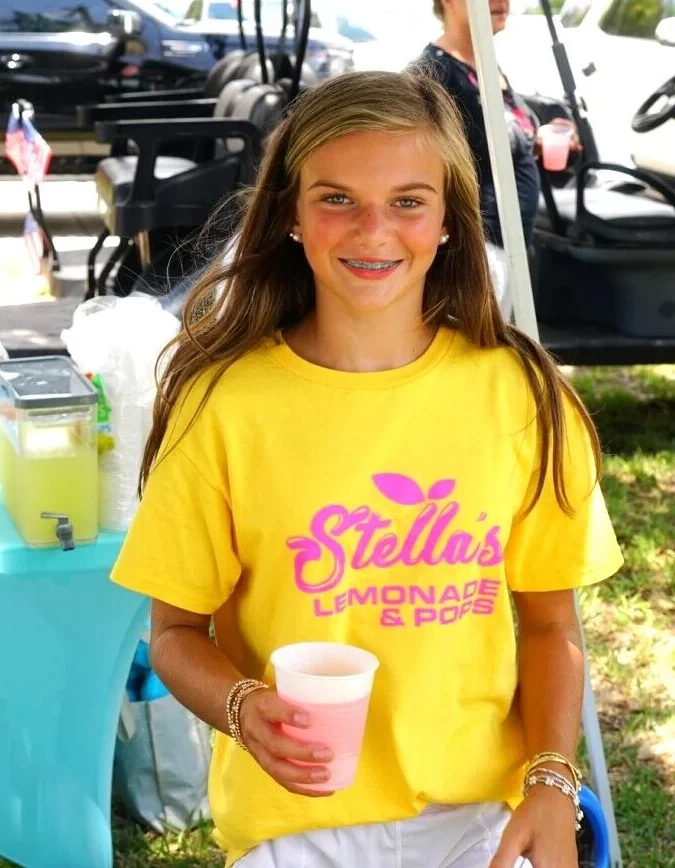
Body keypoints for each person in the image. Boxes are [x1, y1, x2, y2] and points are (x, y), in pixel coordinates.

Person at [111, 70, 621, 868]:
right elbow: (175, 634)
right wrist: (244, 709)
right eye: (337, 198)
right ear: (288, 213)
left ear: (451, 217)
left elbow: (551, 625)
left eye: (408, 200)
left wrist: (551, 780)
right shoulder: (224, 404)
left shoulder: (521, 395)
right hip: (290, 826)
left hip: (475, 818)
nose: (373, 230)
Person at [415, 0, 580, 252]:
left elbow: (497, 148)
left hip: (510, 249)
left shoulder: (485, 66)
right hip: (475, 252)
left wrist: (537, 142)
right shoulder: (434, 75)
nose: (501, 1)